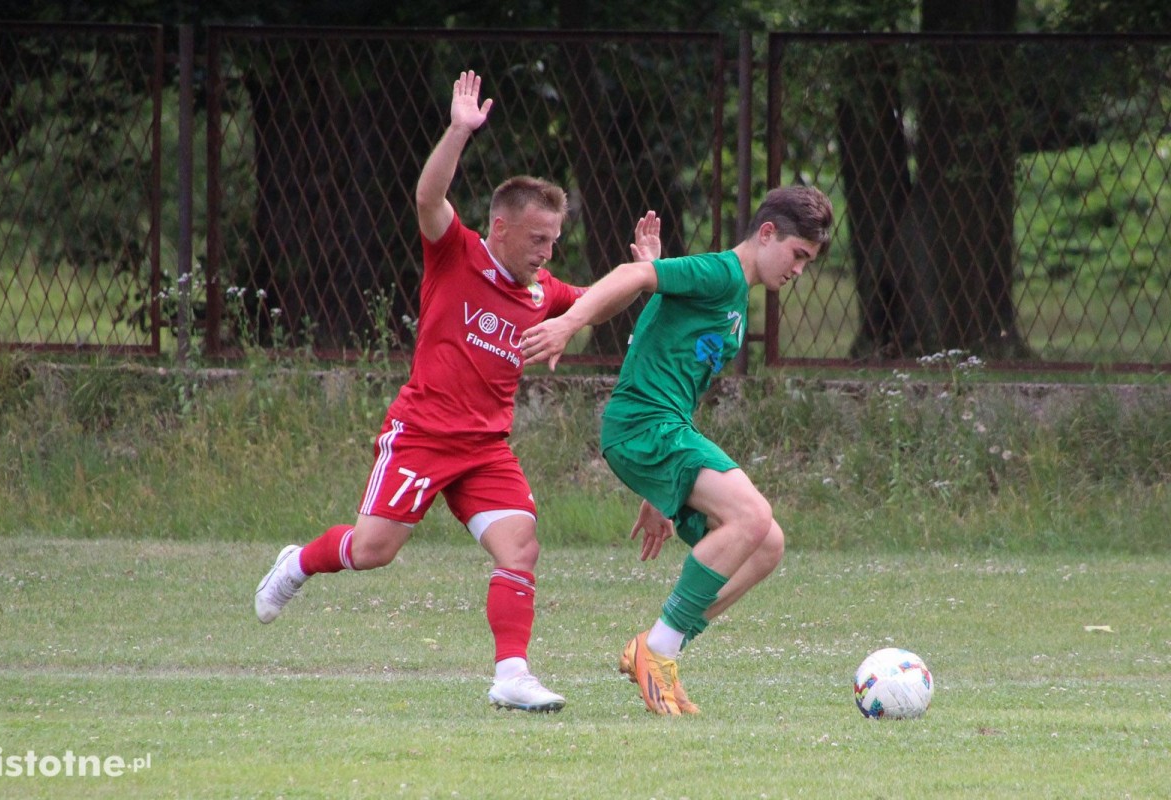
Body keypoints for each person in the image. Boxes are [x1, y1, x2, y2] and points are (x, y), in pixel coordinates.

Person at [255, 70, 586, 713]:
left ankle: (512, 675)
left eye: (555, 241)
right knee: (372, 550)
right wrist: (459, 131)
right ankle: (297, 563)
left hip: (486, 449)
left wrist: (637, 273)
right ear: (499, 227)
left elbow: (597, 299)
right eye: (538, 239)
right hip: (423, 436)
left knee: (521, 545)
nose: (548, 252)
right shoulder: (456, 253)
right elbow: (429, 197)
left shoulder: (543, 292)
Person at [520, 186, 834, 715]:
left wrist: (660, 493)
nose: (799, 270)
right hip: (644, 424)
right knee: (752, 515)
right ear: (766, 234)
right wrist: (569, 323)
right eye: (797, 255)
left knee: (767, 544)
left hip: (663, 430)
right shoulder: (722, 273)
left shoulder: (732, 298)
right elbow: (633, 277)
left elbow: (668, 353)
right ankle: (657, 649)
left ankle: (663, 650)